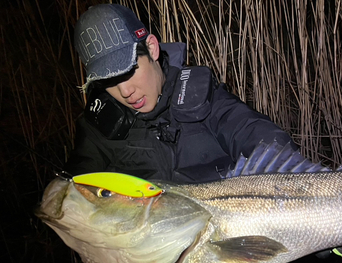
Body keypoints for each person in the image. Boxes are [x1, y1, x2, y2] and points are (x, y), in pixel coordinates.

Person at [66, 3, 298, 183]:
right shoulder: (97, 127)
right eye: (109, 81)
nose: (125, 91)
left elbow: (266, 143)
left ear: (152, 48)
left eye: (129, 71)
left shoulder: (205, 99)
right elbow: (74, 198)